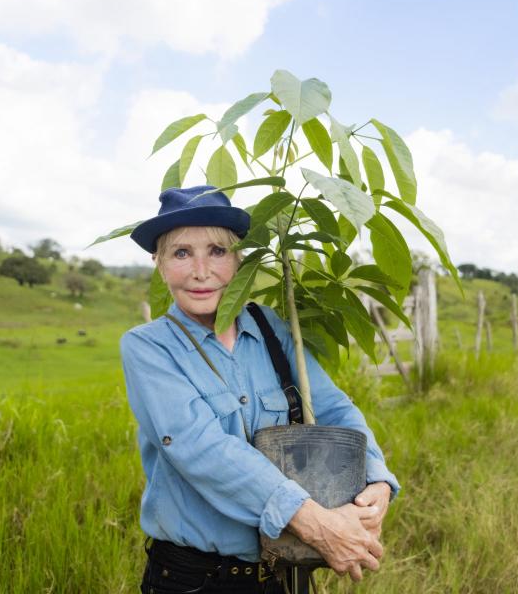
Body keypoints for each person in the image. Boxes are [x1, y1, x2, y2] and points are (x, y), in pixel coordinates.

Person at [121, 185, 400, 594]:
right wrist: (317, 523)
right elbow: (200, 448)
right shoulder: (148, 346)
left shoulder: (271, 328)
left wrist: (375, 480)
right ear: (159, 264)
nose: (201, 270)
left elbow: (334, 409)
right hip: (196, 579)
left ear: (240, 260)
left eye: (217, 251)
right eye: (181, 253)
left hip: (284, 572)